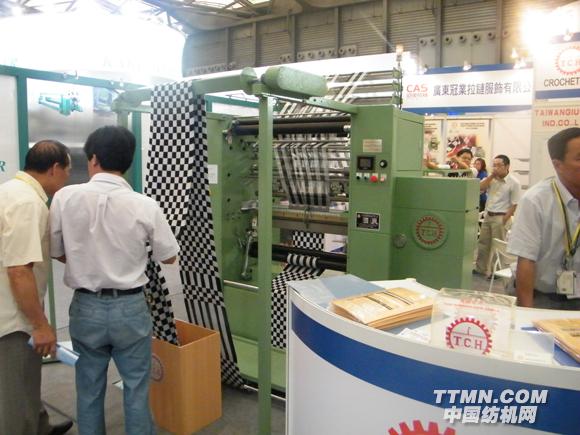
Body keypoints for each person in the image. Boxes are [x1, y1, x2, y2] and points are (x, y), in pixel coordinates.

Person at [50, 126, 179, 435]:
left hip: (86, 307)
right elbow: (169, 257)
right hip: (130, 307)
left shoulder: (64, 197)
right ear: (128, 162)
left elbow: (55, 250)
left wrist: (86, 261)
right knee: (136, 387)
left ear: (93, 158)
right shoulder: (145, 204)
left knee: (89, 388)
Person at [0, 140, 73, 435]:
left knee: (25, 382)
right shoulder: (28, 203)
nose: (68, 177)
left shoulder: (9, 190)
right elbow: (19, 270)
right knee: (15, 395)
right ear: (54, 168)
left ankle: (40, 425)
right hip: (13, 319)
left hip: (11, 307)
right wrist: (41, 325)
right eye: (67, 170)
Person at [508, 128, 580, 309]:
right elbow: (526, 260)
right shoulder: (536, 201)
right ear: (558, 165)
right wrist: (527, 315)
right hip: (542, 298)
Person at [474, 154, 521, 277]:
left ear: (507, 166)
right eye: (494, 165)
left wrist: (505, 219)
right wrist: (491, 176)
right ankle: (480, 268)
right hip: (488, 215)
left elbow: (515, 203)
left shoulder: (514, 182)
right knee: (483, 243)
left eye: (499, 165)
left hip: (501, 216)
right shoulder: (491, 179)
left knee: (498, 245)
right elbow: (479, 188)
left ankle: (496, 272)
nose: (495, 168)